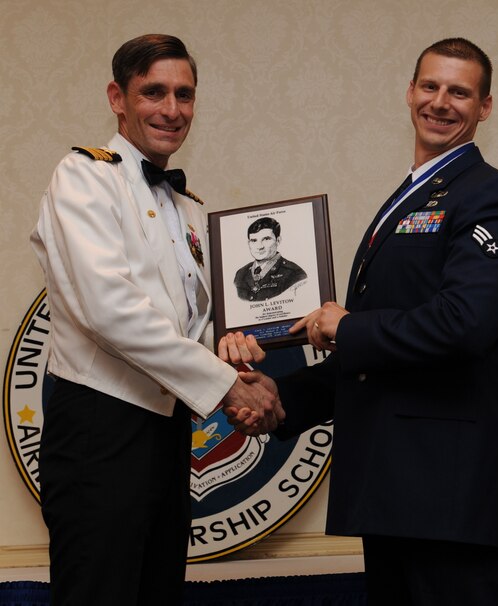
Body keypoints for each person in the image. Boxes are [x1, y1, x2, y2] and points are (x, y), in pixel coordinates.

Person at [228, 37, 498, 604]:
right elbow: (377, 358)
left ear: (485, 107)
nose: (441, 102)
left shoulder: (495, 196)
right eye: (431, 86)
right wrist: (281, 398)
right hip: (391, 486)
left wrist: (343, 327)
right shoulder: (406, 197)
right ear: (410, 92)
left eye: (460, 92)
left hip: (450, 492)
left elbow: (464, 324)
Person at [30, 34, 282, 605]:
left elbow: (192, 324)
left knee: (157, 591)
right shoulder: (84, 177)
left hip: (168, 432)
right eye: (154, 92)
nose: (172, 109)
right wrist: (225, 389)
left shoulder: (188, 208)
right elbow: (108, 310)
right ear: (117, 97)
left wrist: (236, 348)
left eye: (185, 94)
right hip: (99, 431)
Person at [234, 217, 307, 301]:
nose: (259, 247)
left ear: (278, 241)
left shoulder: (295, 274)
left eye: (266, 239)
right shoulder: (240, 274)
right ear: (248, 243)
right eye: (254, 240)